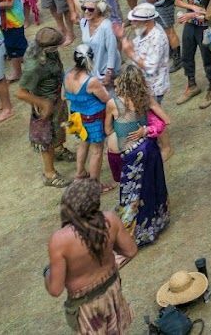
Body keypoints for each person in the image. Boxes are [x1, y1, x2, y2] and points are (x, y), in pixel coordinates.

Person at [44, 178, 137, 335]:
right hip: (112, 290)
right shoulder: (110, 220)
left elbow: (55, 289)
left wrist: (47, 273)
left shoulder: (60, 240)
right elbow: (130, 251)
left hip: (86, 306)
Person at [104, 62, 170, 247]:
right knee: (151, 188)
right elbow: (167, 119)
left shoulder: (113, 103)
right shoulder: (146, 98)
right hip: (150, 148)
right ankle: (157, 223)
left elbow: (108, 128)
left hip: (132, 155)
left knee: (132, 195)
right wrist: (146, 130)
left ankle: (134, 235)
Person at [15, 26, 70, 187]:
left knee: (59, 128)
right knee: (46, 138)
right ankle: (49, 174)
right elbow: (21, 92)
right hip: (45, 103)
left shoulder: (47, 51)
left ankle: (59, 149)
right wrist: (42, 103)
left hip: (55, 97)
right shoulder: (34, 65)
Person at [64, 43, 109, 185]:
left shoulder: (67, 75)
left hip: (76, 116)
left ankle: (80, 173)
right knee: (97, 150)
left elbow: (63, 96)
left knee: (83, 143)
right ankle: (95, 185)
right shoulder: (92, 81)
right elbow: (106, 99)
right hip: (93, 118)